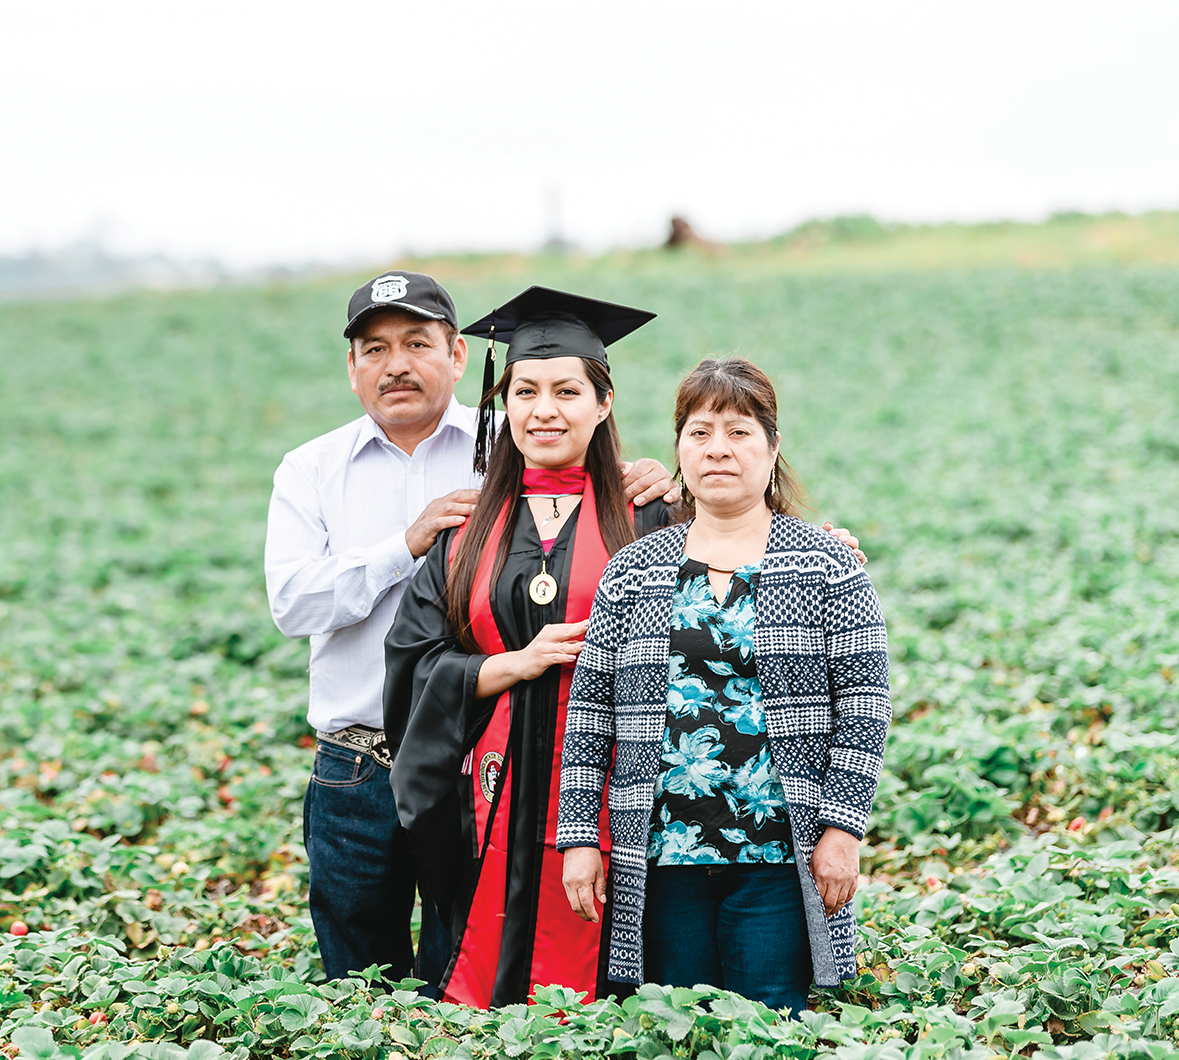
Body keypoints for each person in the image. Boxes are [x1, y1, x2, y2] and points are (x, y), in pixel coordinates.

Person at [264, 272, 677, 993]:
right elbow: (294, 605)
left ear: (459, 356)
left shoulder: (507, 451)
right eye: (374, 348)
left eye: (417, 343)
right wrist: (409, 543)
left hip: (499, 779)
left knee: (480, 954)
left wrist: (662, 484)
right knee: (365, 982)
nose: (396, 364)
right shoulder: (312, 470)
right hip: (361, 766)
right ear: (352, 365)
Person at [557, 357, 891, 1016]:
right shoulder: (635, 571)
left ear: (772, 447)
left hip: (776, 853)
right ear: (679, 448)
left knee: (768, 1021)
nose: (718, 449)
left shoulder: (826, 566)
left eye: (739, 432)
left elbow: (864, 711)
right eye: (700, 431)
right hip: (660, 854)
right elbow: (590, 714)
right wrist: (577, 838)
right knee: (676, 1024)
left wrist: (841, 831)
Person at [382, 286, 677, 1008]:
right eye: (526, 391)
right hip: (487, 801)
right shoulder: (465, 531)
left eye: (567, 391)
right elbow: (411, 665)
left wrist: (827, 548)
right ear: (503, 403)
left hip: (618, 800)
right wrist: (502, 666)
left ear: (602, 404)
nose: (544, 410)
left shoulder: (654, 518)